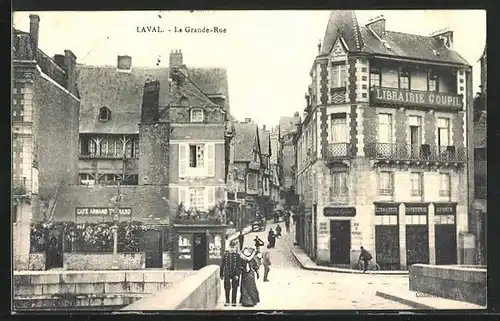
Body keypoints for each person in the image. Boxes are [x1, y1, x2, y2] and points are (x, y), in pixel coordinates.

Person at [220, 241, 243, 306]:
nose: (232, 249)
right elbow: (222, 265)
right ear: (229, 247)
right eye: (231, 247)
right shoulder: (225, 255)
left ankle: (233, 301)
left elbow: (239, 266)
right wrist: (221, 274)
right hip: (227, 273)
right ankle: (227, 301)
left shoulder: (238, 256)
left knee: (235, 287)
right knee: (227, 287)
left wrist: (237, 275)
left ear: (235, 247)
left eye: (233, 247)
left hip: (235, 273)